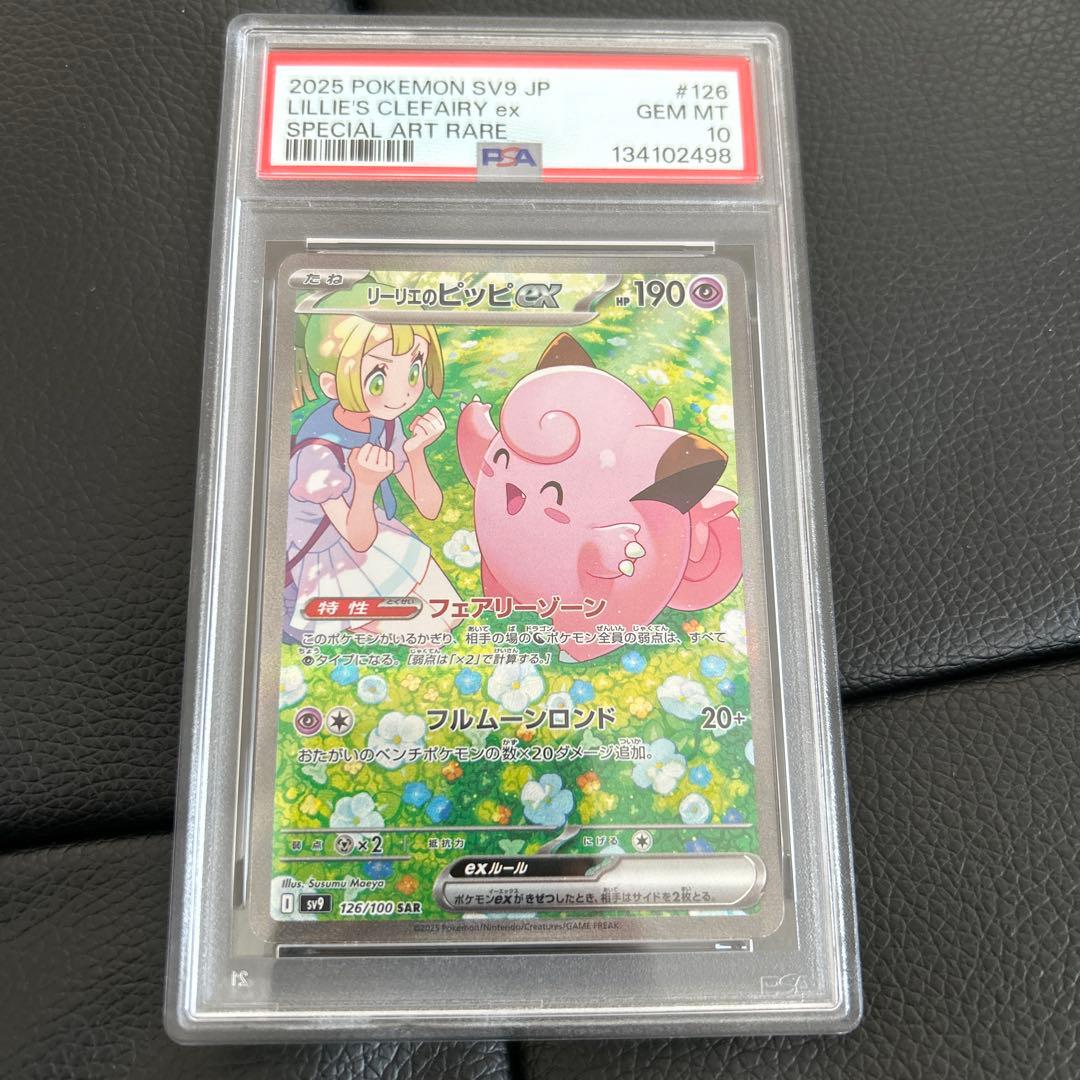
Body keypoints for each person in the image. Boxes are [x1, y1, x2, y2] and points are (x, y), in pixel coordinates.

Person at [283, 287, 462, 642]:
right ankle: (308, 616)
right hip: (326, 554)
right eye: (378, 379)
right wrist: (365, 485)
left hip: (372, 530)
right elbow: (358, 539)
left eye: (413, 370)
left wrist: (416, 452)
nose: (402, 394)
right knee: (432, 632)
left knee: (451, 613)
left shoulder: (384, 422)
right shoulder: (318, 453)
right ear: (331, 385)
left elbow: (429, 508)